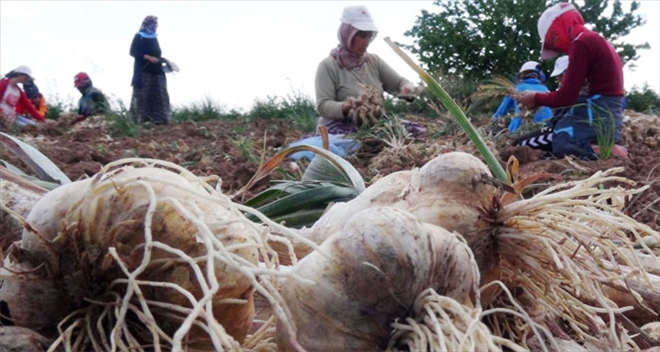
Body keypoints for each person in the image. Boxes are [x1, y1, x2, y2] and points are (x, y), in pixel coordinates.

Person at [515, 3, 626, 160]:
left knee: (562, 144)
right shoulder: (596, 40)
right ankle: (601, 144)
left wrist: (536, 98)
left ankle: (606, 150)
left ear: (558, 28)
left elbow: (565, 97)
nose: (557, 47)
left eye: (553, 39)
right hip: (605, 119)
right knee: (529, 145)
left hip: (596, 117)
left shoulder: (581, 43)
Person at [314, 5, 424, 137]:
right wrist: (350, 106)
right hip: (340, 128)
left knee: (415, 133)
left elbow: (398, 83)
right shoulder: (328, 66)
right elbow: (323, 106)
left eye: (369, 36)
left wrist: (406, 88)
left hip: (374, 125)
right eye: (361, 35)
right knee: (356, 144)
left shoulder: (374, 61)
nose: (366, 41)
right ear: (347, 33)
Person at [129, 15, 171, 125]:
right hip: (144, 72)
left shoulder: (154, 37)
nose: (156, 26)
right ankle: (140, 121)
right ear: (149, 24)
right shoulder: (139, 37)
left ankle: (160, 120)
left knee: (159, 95)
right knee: (143, 96)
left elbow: (156, 53)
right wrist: (147, 57)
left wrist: (163, 60)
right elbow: (133, 52)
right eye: (155, 24)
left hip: (157, 72)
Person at [491, 61, 553, 133]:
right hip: (548, 128)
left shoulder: (515, 89)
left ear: (522, 75)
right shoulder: (545, 90)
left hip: (522, 130)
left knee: (513, 126)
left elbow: (501, 111)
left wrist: (492, 122)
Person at [0, 65, 45, 129]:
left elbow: (29, 107)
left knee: (34, 126)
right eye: (25, 77)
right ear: (18, 74)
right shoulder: (3, 84)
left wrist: (42, 119)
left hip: (11, 117)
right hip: (3, 117)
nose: (26, 80)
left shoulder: (19, 91)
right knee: (25, 128)